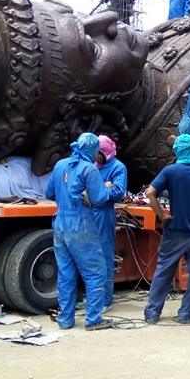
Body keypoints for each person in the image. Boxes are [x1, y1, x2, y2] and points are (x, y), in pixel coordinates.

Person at [143, 134, 190, 324]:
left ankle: (152, 314)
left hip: (174, 231)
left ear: (177, 149)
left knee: (163, 271)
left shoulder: (169, 171)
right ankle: (186, 314)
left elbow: (150, 193)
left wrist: (161, 215)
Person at [44, 132, 112, 330]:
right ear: (92, 150)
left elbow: (49, 193)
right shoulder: (89, 169)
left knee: (65, 274)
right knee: (95, 272)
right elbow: (99, 199)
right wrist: (107, 187)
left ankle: (65, 320)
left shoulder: (59, 165)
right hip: (80, 223)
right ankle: (93, 320)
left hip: (60, 223)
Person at [94, 134, 127, 311]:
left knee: (104, 256)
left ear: (105, 153)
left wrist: (99, 190)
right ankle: (92, 296)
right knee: (89, 256)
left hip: (104, 214)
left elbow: (118, 192)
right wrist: (104, 186)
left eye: (97, 153)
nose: (94, 157)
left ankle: (105, 300)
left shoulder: (117, 168)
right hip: (89, 214)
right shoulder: (94, 166)